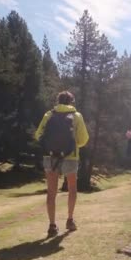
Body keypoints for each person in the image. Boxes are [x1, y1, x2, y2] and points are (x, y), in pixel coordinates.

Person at [35, 91, 89, 238]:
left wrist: (49, 145)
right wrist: (72, 145)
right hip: (70, 156)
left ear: (57, 101)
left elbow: (38, 135)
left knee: (51, 192)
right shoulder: (76, 116)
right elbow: (83, 139)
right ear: (71, 101)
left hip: (50, 156)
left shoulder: (48, 115)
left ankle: (52, 226)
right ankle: (70, 220)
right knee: (72, 189)